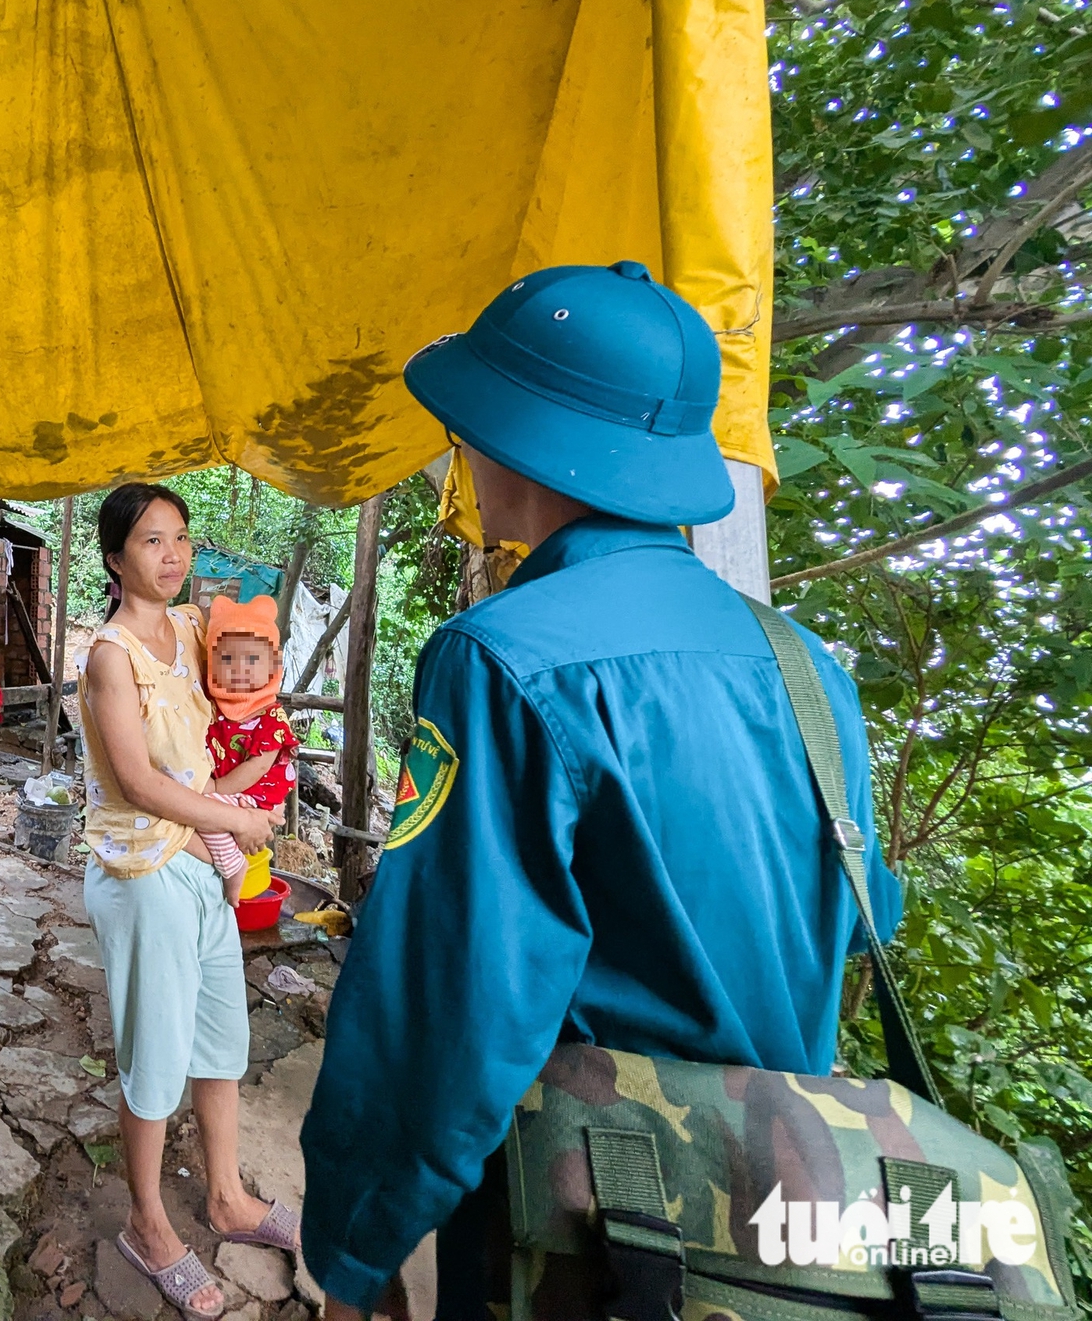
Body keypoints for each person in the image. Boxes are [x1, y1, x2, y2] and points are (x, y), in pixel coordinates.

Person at [300, 261, 903, 1320]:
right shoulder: (808, 671)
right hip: (777, 1216)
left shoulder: (499, 658)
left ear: (510, 437)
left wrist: (356, 1244)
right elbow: (860, 917)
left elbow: (447, 994)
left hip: (590, 1210)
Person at [79, 483, 301, 1320]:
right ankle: (146, 1221)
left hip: (205, 868)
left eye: (180, 540)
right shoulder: (112, 656)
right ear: (114, 558)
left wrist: (260, 772)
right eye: (150, 542)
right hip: (144, 874)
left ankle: (226, 1197)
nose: (172, 556)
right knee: (154, 1056)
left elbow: (246, 681)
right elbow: (136, 781)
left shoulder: (186, 631)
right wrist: (236, 816)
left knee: (219, 1040)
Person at [198, 593, 301, 903]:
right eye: (227, 659)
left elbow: (255, 767)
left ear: (272, 664)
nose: (240, 668)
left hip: (253, 792)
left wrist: (215, 788)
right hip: (231, 792)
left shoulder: (270, 717)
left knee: (199, 811)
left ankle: (232, 865)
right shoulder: (210, 706)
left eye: (252, 660)